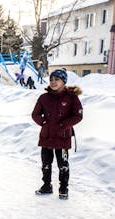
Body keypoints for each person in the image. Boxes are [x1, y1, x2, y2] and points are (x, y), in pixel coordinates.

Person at [31, 69, 83, 199]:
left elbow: (78, 116)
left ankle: (63, 189)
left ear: (63, 81)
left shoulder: (71, 97)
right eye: (51, 79)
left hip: (63, 137)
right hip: (46, 136)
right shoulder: (44, 97)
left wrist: (63, 125)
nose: (53, 82)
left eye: (57, 79)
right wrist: (44, 123)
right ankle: (46, 186)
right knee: (46, 163)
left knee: (63, 165)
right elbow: (35, 114)